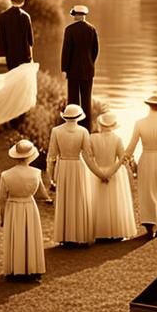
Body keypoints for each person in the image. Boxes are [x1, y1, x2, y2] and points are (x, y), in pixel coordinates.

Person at [125, 94, 157, 239]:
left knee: (147, 192)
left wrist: (123, 158)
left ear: (149, 106)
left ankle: (149, 225)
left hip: (146, 159)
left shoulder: (139, 123)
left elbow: (132, 145)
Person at [45, 103, 96, 247]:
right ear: (79, 117)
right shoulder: (83, 131)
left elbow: (52, 155)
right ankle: (79, 235)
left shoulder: (56, 131)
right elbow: (88, 153)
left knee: (64, 200)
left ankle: (65, 236)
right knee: (78, 199)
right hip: (78, 166)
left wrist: (51, 176)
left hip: (63, 166)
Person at [0, 139, 50, 280]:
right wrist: (47, 198)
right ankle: (32, 269)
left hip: (13, 207)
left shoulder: (6, 175)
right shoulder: (36, 173)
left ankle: (15, 269)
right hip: (29, 206)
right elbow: (42, 194)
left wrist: (2, 218)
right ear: (30, 156)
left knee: (16, 236)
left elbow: (2, 198)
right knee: (30, 235)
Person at [88, 112, 137, 241]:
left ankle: (99, 233)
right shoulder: (117, 138)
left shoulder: (92, 138)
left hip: (97, 171)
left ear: (100, 124)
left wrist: (100, 173)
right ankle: (116, 233)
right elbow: (122, 158)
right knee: (115, 201)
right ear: (113, 125)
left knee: (99, 201)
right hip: (114, 172)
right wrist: (110, 172)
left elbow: (89, 158)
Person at [60, 4, 98, 126]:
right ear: (84, 15)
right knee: (86, 100)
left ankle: (73, 124)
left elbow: (66, 51)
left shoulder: (69, 30)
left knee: (73, 100)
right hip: (88, 70)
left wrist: (64, 69)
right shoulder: (92, 29)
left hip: (73, 71)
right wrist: (90, 63)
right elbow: (95, 50)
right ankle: (87, 128)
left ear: (75, 15)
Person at [0, 0, 34, 71]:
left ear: (11, 1)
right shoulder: (26, 17)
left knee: (12, 76)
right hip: (24, 55)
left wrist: (2, 56)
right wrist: (31, 57)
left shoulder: (2, 16)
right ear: (22, 2)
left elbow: (1, 38)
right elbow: (30, 40)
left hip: (10, 55)